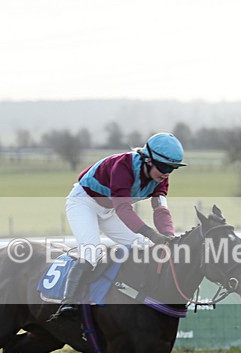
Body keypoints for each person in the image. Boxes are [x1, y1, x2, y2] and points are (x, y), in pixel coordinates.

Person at [49, 132, 186, 322]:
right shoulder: (123, 166)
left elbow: (160, 209)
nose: (166, 173)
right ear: (147, 159)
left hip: (109, 209)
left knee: (142, 247)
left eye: (172, 169)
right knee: (91, 252)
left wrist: (167, 235)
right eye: (163, 167)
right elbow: (123, 209)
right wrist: (152, 234)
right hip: (84, 202)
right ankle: (68, 302)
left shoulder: (162, 178)